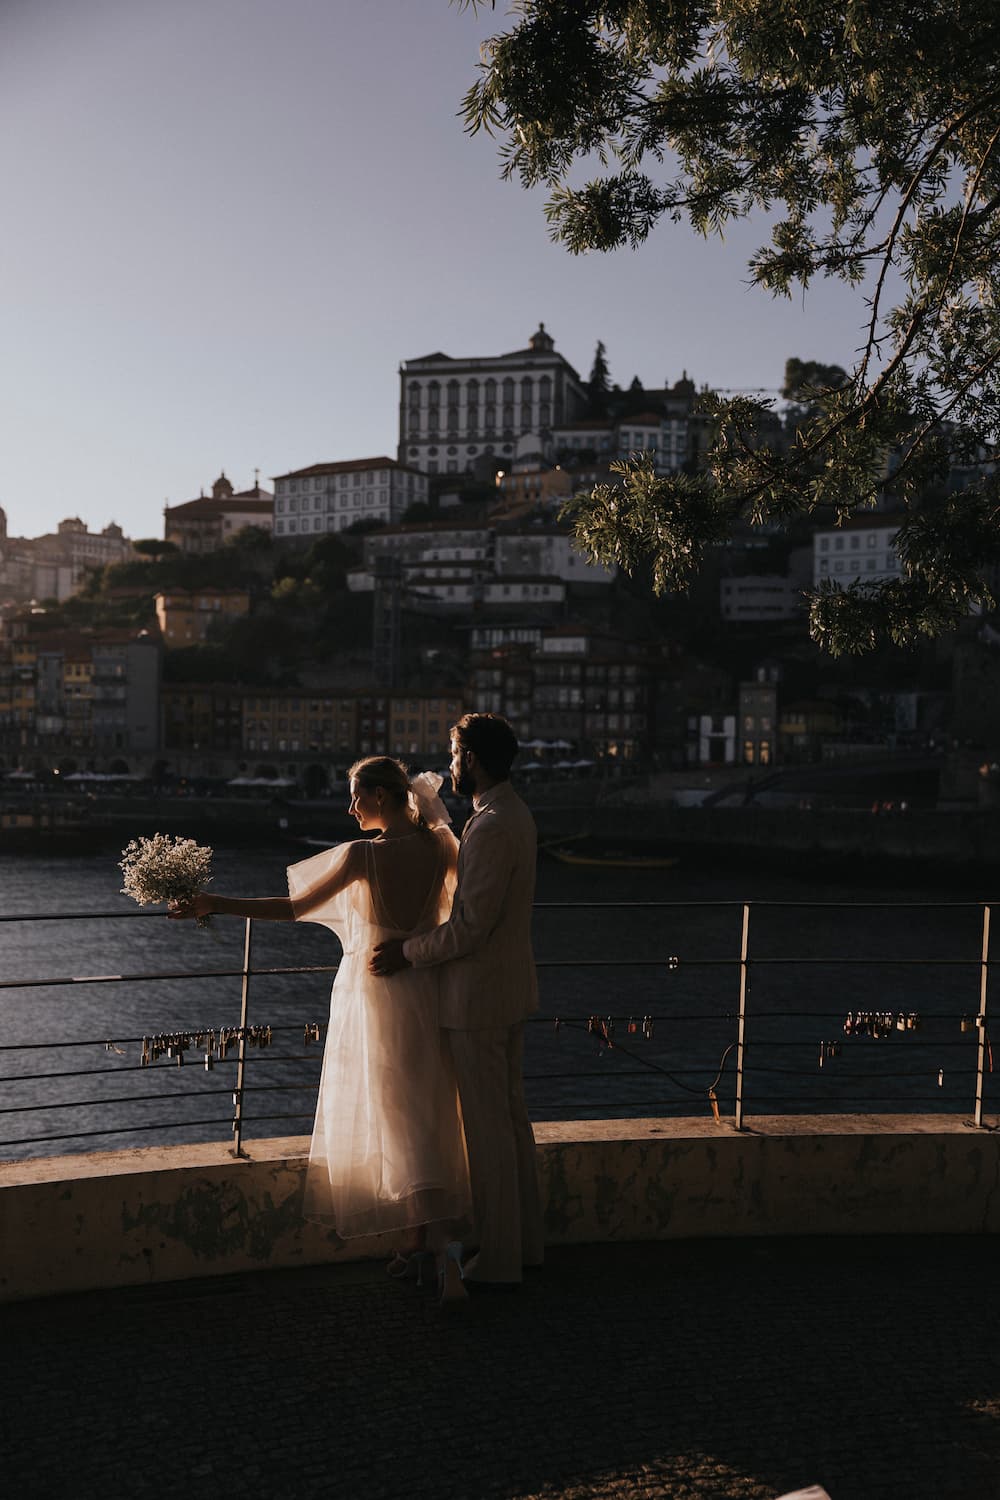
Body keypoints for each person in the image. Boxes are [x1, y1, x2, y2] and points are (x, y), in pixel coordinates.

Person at [169, 758, 471, 1298]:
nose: (349, 807)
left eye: (356, 796)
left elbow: (293, 909)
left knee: (397, 1115)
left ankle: (439, 1244)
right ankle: (422, 1242)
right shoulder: (443, 847)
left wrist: (215, 903)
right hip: (427, 986)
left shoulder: (362, 856)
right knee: (428, 1110)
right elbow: (461, 916)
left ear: (381, 795)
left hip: (377, 994)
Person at [371, 713, 544, 1288]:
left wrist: (407, 953)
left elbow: (470, 928)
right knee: (512, 1124)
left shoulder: (492, 826)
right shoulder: (511, 815)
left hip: (478, 1001)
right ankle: (524, 1247)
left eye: (453, 754)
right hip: (507, 991)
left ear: (470, 757)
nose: (448, 766)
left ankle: (497, 1260)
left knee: (490, 1132)